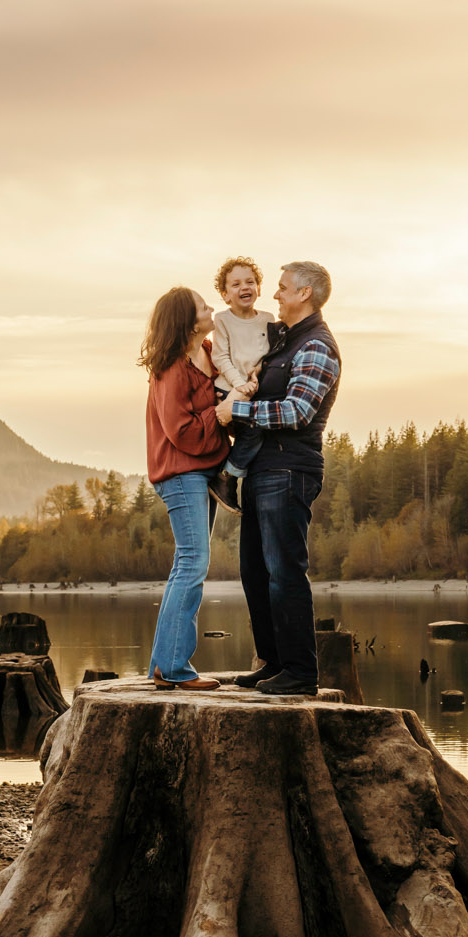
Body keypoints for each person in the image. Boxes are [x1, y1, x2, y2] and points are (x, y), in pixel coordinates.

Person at [217, 261, 340, 696]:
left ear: (304, 294)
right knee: (254, 570)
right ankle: (272, 664)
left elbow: (297, 412)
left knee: (285, 571)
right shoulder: (283, 343)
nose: (276, 295)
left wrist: (242, 410)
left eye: (283, 289)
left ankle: (301, 672)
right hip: (263, 469)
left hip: (290, 470)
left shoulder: (316, 346)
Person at [142, 285, 244, 691]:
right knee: (193, 562)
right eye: (203, 306)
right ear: (186, 320)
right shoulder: (171, 368)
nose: (211, 308)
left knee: (188, 564)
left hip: (202, 470)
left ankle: (165, 666)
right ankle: (174, 668)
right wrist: (218, 416)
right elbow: (181, 431)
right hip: (179, 471)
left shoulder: (208, 351)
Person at [208, 257, 272, 511]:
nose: (244, 287)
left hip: (254, 388)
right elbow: (220, 356)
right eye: (235, 284)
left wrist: (256, 376)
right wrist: (238, 385)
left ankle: (229, 475)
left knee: (258, 431)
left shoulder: (268, 318)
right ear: (225, 295)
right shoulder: (223, 320)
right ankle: (226, 476)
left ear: (259, 288)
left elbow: (267, 354)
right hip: (228, 389)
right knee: (254, 430)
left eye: (250, 282)